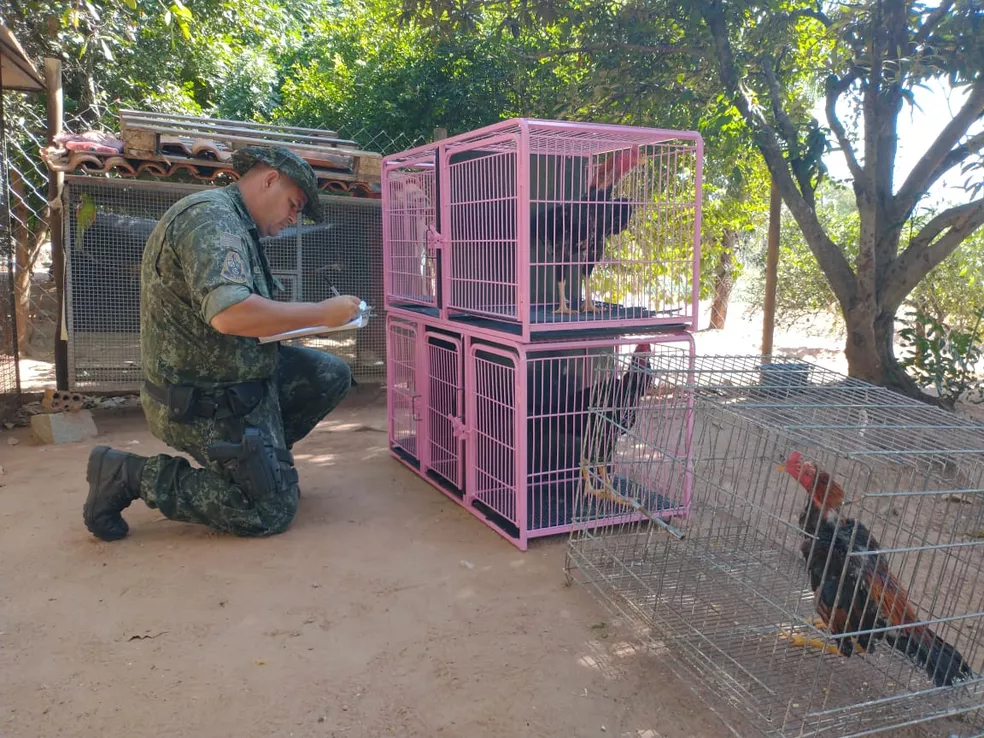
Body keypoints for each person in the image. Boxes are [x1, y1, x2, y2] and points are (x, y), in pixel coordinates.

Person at [83, 145, 361, 541]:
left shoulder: (237, 224)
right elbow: (230, 315)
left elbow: (251, 317)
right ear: (269, 180)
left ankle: (264, 463)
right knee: (268, 512)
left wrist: (322, 318)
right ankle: (127, 474)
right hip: (201, 399)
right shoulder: (212, 219)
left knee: (329, 373)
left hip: (241, 381)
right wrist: (320, 313)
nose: (293, 218)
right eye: (293, 205)